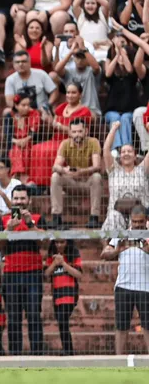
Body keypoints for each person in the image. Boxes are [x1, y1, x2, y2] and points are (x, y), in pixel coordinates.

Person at [0, 184, 46, 355]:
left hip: (33, 274)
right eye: (16, 198)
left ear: (29, 200)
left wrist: (30, 224)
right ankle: (14, 358)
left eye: (22, 198)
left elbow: (44, 244)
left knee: (34, 316)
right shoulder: (3, 220)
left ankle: (38, 356)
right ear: (12, 201)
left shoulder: (37, 218)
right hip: (11, 275)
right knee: (14, 318)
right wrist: (8, 229)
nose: (19, 202)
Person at [101, 205, 149, 355]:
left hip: (145, 287)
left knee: (147, 326)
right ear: (130, 221)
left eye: (140, 222)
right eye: (134, 222)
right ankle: (118, 362)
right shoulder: (121, 235)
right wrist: (117, 250)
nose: (137, 225)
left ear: (146, 220)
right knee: (121, 326)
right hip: (123, 286)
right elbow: (104, 254)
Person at [50, 119, 103, 229]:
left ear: (86, 131)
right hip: (71, 181)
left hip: (88, 182)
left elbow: (97, 166)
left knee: (97, 177)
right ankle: (56, 217)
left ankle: (94, 217)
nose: (77, 134)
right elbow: (55, 166)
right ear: (69, 132)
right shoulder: (65, 144)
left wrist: (81, 171)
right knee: (55, 176)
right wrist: (65, 170)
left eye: (79, 131)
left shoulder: (93, 142)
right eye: (74, 132)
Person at [102, 121, 149, 231]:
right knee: (114, 217)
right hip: (117, 216)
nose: (126, 154)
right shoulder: (114, 171)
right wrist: (114, 128)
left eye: (129, 151)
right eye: (123, 152)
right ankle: (111, 247)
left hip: (140, 216)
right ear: (120, 156)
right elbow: (106, 150)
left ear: (135, 156)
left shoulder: (142, 170)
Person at [45, 239, 82, 355]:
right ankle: (67, 349)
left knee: (62, 320)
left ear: (67, 242)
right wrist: (55, 263)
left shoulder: (73, 254)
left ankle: (68, 350)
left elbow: (79, 274)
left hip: (70, 293)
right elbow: (46, 274)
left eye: (62, 242)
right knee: (62, 322)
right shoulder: (52, 255)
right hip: (57, 294)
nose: (59, 245)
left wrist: (64, 263)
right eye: (57, 242)